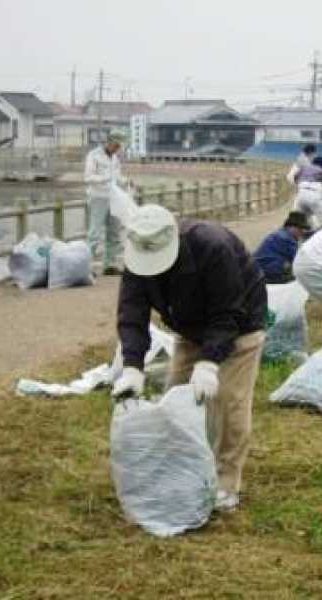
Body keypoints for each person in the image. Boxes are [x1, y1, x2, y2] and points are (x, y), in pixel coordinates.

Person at [112, 204, 267, 512]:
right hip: (188, 327)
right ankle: (181, 471)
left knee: (228, 402)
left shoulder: (213, 247)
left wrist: (209, 364)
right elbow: (132, 314)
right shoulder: (137, 255)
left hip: (240, 326)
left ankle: (226, 481)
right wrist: (131, 367)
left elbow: (227, 313)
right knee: (177, 398)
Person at [84, 129, 128, 275]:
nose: (117, 149)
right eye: (116, 145)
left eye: (119, 147)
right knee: (94, 233)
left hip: (114, 198)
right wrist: (104, 179)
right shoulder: (94, 156)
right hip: (98, 197)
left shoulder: (115, 158)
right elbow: (88, 177)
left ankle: (109, 264)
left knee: (114, 232)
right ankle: (86, 267)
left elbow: (118, 176)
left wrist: (126, 181)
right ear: (109, 142)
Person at [253, 211, 310, 284]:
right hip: (265, 272)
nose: (302, 232)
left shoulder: (280, 233)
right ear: (292, 227)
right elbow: (300, 261)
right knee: (299, 277)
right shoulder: (288, 239)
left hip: (257, 269)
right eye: (300, 229)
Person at [292, 156, 322, 229]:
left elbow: (295, 177)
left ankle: (302, 234)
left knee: (300, 220)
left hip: (301, 193)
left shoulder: (304, 167)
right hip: (314, 192)